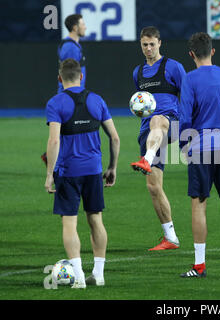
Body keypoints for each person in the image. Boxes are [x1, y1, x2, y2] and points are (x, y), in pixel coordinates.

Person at [44, 58, 120, 288]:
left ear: (59, 78)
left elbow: (54, 139)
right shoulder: (97, 100)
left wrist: (49, 173)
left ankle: (78, 277)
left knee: (70, 223)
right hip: (93, 170)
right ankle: (98, 274)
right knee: (95, 219)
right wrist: (112, 167)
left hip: (68, 172)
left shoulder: (55, 103)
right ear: (81, 76)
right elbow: (115, 138)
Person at [178, 32, 220, 277]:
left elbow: (185, 118)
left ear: (191, 55)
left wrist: (184, 148)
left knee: (199, 204)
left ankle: (200, 265)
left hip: (200, 146)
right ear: (213, 51)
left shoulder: (190, 79)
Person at [130, 26, 186, 251]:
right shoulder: (138, 73)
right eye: (145, 45)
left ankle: (146, 158)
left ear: (160, 43)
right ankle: (170, 237)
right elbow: (140, 102)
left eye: (152, 44)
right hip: (149, 132)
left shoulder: (173, 67)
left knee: (157, 120)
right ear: (141, 45)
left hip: (171, 122)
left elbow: (188, 95)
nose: (149, 48)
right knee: (153, 187)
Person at [41, 14, 87, 166]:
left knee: (68, 133)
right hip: (70, 96)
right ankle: (55, 161)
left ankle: (52, 157)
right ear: (75, 27)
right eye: (82, 24)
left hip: (71, 95)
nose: (85, 26)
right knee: (69, 133)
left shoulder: (73, 45)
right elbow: (68, 75)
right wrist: (74, 96)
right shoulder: (70, 47)